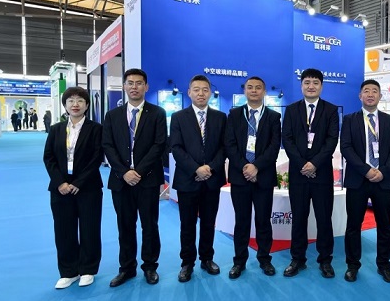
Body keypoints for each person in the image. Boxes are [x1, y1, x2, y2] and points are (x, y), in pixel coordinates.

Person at [102, 69, 168, 287]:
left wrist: (138, 171)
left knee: (150, 226)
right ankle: (127, 268)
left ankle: (150, 266)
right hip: (121, 181)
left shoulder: (157, 113)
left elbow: (159, 145)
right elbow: (108, 146)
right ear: (124, 86)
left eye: (139, 83)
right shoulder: (112, 115)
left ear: (146, 87)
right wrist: (124, 172)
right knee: (125, 226)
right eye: (130, 83)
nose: (134, 87)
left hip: (147, 179)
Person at [340, 80, 390, 283]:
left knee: (384, 225)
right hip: (358, 179)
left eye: (375, 91)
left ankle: (384, 265)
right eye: (366, 91)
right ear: (360, 96)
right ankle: (352, 265)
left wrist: (383, 170)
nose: (370, 94)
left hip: (383, 180)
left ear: (380, 96)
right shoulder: (350, 120)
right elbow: (346, 147)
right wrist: (366, 170)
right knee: (353, 225)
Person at [42, 86, 104, 289]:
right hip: (60, 188)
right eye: (71, 101)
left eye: (80, 101)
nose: (75, 104)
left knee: (89, 229)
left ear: (87, 105)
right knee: (63, 230)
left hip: (88, 187)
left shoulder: (96, 129)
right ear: (65, 105)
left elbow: (97, 158)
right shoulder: (56, 129)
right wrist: (60, 182)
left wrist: (78, 183)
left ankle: (87, 269)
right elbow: (49, 157)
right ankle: (68, 272)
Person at [281, 68, 340, 278]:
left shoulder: (330, 110)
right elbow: (287, 139)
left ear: (321, 86)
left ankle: (325, 260)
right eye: (307, 82)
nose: (311, 86)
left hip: (322, 173)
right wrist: (303, 164)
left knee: (324, 218)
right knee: (299, 218)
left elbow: (331, 140)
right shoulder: (292, 109)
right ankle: (297, 259)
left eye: (315, 82)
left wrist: (314, 163)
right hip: (298, 174)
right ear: (301, 86)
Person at [170, 75, 227, 283]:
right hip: (187, 179)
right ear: (189, 92)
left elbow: (224, 147)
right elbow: (176, 148)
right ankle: (187, 262)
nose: (201, 93)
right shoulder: (178, 117)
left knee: (208, 222)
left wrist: (210, 168)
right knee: (187, 224)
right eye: (196, 89)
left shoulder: (220, 117)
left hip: (212, 179)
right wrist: (196, 169)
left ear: (210, 92)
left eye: (205, 89)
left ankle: (207, 258)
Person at [224, 76, 281, 279]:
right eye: (250, 87)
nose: (254, 90)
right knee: (241, 221)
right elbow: (229, 144)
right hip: (240, 177)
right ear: (245, 91)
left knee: (263, 221)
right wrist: (245, 167)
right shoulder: (234, 114)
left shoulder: (273, 117)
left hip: (263, 177)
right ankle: (239, 261)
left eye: (258, 88)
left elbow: (274, 147)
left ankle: (265, 259)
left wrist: (256, 167)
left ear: (264, 92)